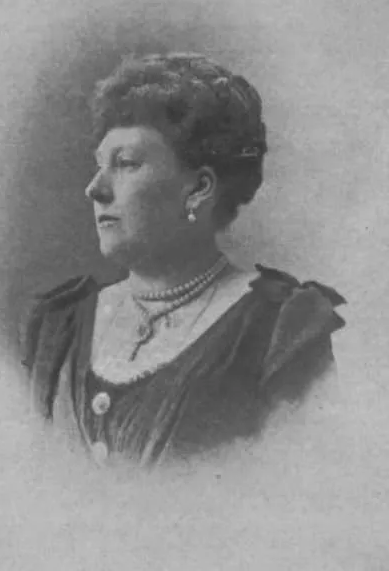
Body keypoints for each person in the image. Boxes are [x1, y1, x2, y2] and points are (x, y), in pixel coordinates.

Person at [22, 52, 346, 468]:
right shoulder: (57, 329)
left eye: (125, 164)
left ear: (199, 189)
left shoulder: (281, 334)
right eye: (100, 165)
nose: (95, 189)